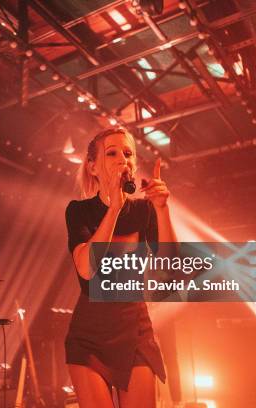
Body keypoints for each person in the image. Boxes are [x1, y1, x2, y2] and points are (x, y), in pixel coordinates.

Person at [64, 127, 177, 408]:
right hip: (89, 334)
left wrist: (162, 209)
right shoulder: (79, 211)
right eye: (111, 153)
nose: (122, 160)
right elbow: (87, 270)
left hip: (134, 330)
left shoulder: (144, 210)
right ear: (92, 167)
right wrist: (114, 207)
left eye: (128, 154)